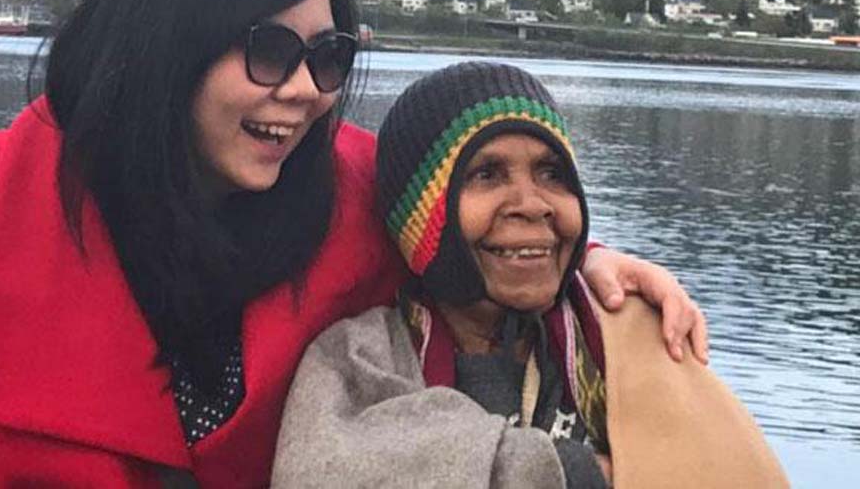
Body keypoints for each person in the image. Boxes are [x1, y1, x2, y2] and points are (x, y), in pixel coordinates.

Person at [0, 0, 705, 487]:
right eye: (269, 49)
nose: (303, 91)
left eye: (327, 58)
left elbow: (485, 214)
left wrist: (591, 260)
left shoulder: (349, 191)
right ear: (164, 44)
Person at [272, 62, 788, 488]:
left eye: (552, 173)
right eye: (486, 174)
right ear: (421, 218)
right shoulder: (358, 359)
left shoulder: (633, 342)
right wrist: (586, 475)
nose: (532, 204)